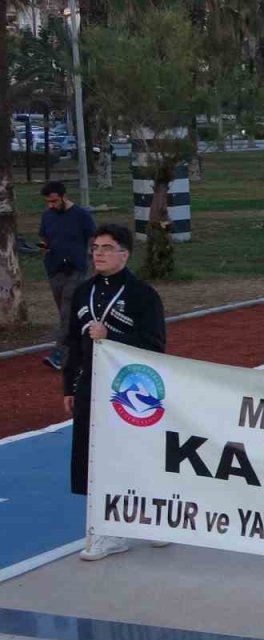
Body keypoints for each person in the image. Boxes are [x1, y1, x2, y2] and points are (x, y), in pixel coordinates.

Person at [62, 223, 166, 561]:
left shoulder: (142, 295)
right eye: (95, 248)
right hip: (91, 386)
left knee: (131, 455)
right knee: (91, 458)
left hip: (130, 392)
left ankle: (152, 519)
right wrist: (69, 386)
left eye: (107, 248)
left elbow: (155, 346)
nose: (99, 254)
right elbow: (73, 344)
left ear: (124, 253)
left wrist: (111, 335)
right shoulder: (82, 292)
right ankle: (108, 530)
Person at [38, 181, 96, 370]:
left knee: (67, 312)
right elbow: (44, 237)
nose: (51, 205)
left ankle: (59, 355)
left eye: (54, 201)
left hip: (77, 269)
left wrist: (95, 266)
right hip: (55, 270)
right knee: (71, 315)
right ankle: (84, 349)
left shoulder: (81, 215)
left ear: (64, 196)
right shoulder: (47, 216)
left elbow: (94, 241)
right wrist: (44, 250)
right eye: (48, 202)